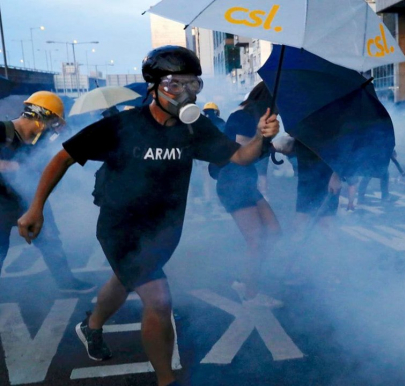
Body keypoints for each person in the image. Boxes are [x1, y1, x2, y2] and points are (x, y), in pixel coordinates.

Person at [17, 46, 279, 386]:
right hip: (120, 227)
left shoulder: (194, 128)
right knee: (158, 299)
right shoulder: (123, 126)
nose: (184, 94)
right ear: (153, 86)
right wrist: (35, 207)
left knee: (125, 280)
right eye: (174, 85)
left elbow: (240, 157)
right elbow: (63, 157)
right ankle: (167, 379)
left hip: (165, 229)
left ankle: (91, 324)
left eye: (192, 85)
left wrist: (262, 137)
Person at [0, 91, 94, 293]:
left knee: (50, 238)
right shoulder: (2, 130)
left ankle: (66, 282)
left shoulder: (38, 141)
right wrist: (6, 165)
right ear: (40, 120)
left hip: (28, 197)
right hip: (1, 202)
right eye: (52, 122)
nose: (52, 128)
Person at [212, 82, 282, 307]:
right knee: (256, 239)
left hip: (246, 184)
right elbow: (241, 152)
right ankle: (250, 293)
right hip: (233, 182)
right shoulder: (242, 117)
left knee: (273, 231)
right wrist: (267, 142)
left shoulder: (257, 119)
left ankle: (247, 278)